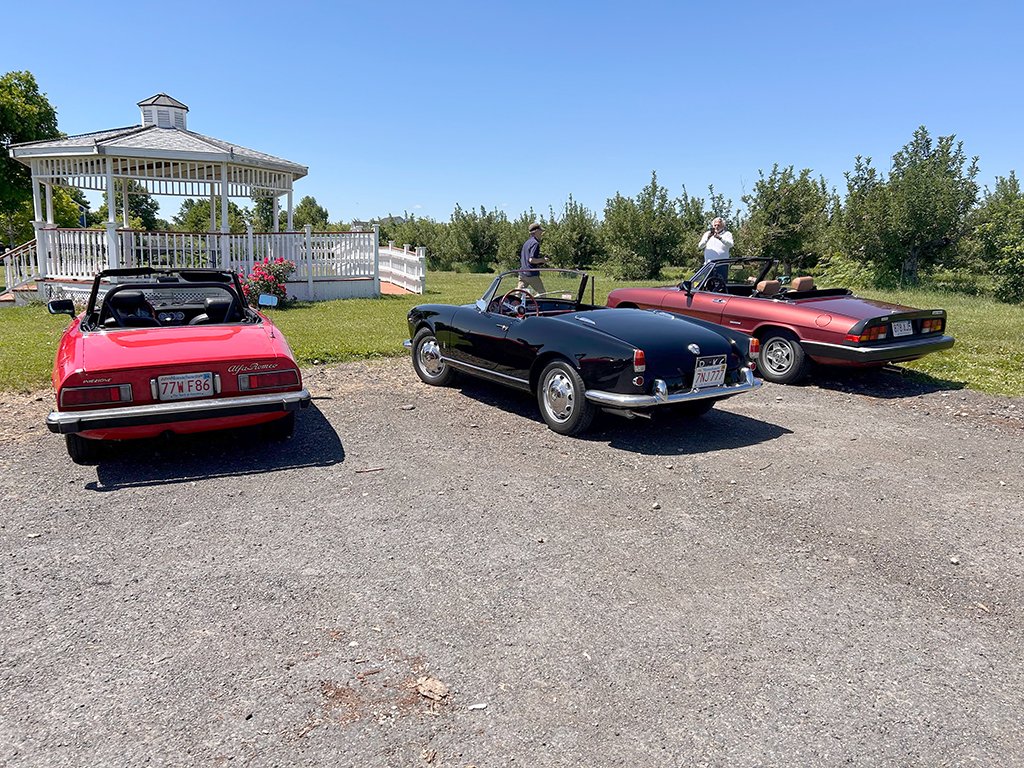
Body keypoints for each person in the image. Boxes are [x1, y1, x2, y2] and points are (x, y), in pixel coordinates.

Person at [697, 217, 734, 283]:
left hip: (722, 265)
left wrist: (720, 238)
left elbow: (731, 244)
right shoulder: (707, 234)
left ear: (723, 226)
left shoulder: (727, 234)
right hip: (709, 265)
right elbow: (700, 246)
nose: (716, 227)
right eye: (715, 225)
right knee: (707, 285)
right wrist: (707, 238)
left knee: (722, 285)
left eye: (718, 225)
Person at [517, 222, 547, 295]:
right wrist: (543, 260)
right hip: (531, 274)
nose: (542, 233)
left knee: (518, 294)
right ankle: (537, 305)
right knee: (542, 294)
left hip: (522, 274)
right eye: (540, 231)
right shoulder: (535, 243)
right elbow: (531, 260)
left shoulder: (527, 243)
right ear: (536, 231)